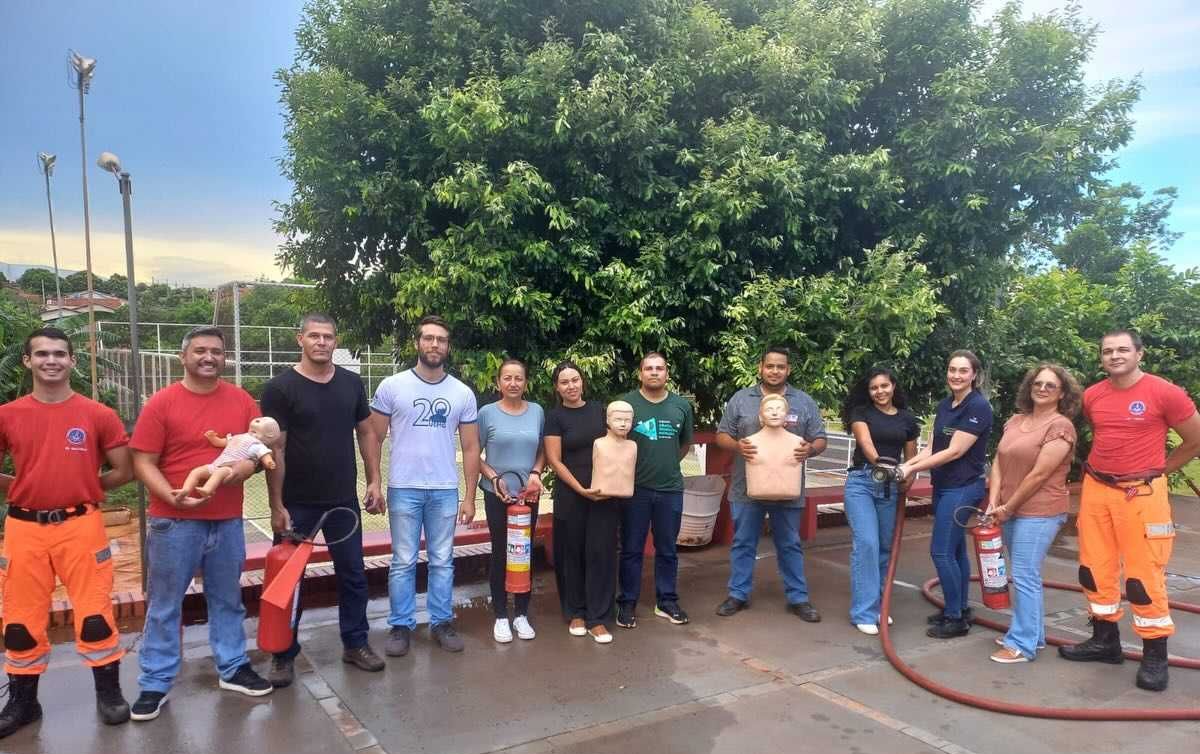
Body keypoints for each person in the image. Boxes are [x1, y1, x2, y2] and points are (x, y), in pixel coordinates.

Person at [129, 327, 273, 722]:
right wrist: (170, 494)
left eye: (216, 352)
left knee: (227, 599)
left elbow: (254, 453)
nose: (209, 357)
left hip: (226, 521)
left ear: (224, 357)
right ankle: (156, 681)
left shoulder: (241, 401)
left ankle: (233, 666)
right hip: (173, 522)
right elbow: (142, 461)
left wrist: (241, 471)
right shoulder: (162, 403)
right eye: (200, 351)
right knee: (164, 604)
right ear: (184, 356)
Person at [0, 328, 133, 738]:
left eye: (60, 353)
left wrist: (85, 488)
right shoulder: (7, 415)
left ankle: (108, 693)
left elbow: (124, 469)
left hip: (81, 526)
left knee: (95, 616)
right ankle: (24, 703)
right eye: (42, 354)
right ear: (28, 361)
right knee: (19, 621)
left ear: (72, 361)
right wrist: (25, 489)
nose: (51, 360)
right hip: (23, 529)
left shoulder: (98, 414)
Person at [1058, 331, 1200, 691]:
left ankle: (1155, 655)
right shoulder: (1093, 395)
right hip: (1097, 488)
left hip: (1142, 493)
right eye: (1108, 351)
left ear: (1140, 354)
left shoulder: (1164, 392)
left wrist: (1159, 471)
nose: (1115, 355)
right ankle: (1105, 641)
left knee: (1142, 578)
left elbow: (1195, 438)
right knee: (1093, 569)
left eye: (1123, 349)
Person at [260, 313, 384, 688]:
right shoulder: (280, 388)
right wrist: (277, 505)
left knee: (353, 575)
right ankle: (283, 654)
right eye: (314, 336)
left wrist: (375, 480)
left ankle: (356, 643)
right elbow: (276, 449)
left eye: (327, 336)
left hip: (342, 502)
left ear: (336, 341)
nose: (321, 342)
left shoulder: (351, 383)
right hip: (298, 503)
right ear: (300, 339)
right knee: (288, 582)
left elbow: (366, 432)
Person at [364, 315, 480, 656]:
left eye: (441, 340)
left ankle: (441, 622)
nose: (434, 344)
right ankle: (401, 625)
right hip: (404, 487)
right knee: (403, 560)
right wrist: (375, 481)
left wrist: (470, 496)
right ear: (417, 343)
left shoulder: (462, 393)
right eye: (428, 338)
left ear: (448, 347)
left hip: (445, 490)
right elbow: (374, 437)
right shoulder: (392, 386)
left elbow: (471, 447)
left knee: (442, 559)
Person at [714, 347, 827, 623]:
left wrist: (810, 449)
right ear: (760, 368)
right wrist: (738, 446)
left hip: (788, 488)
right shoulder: (741, 399)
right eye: (770, 366)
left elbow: (820, 438)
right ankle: (737, 594)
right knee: (743, 543)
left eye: (780, 366)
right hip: (745, 488)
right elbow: (721, 435)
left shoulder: (803, 402)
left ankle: (798, 598)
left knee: (789, 543)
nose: (775, 371)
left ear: (788, 370)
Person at [984, 363, 1081, 663]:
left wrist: (1009, 507)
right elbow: (999, 461)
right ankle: (1033, 636)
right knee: (1026, 574)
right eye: (1038, 383)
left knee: (1024, 574)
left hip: (1040, 511)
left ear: (1062, 393)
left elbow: (1040, 474)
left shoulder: (1060, 427)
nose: (1042, 388)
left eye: (1050, 385)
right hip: (1008, 509)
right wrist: (994, 502)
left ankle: (1021, 644)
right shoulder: (1016, 421)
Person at [897, 350, 994, 639]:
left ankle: (955, 619)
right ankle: (959, 608)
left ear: (974, 375)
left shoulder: (978, 407)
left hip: (963, 487)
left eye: (963, 371)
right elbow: (933, 447)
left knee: (940, 552)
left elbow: (955, 451)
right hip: (943, 485)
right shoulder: (945, 405)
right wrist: (906, 465)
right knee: (955, 551)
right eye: (952, 369)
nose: (956, 375)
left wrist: (910, 469)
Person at [616, 353, 695, 628]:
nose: (653, 372)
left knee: (668, 549)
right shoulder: (626, 404)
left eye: (659, 368)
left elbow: (683, 445)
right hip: (634, 489)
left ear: (666, 373)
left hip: (670, 489)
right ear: (640, 373)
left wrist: (666, 463)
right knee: (631, 549)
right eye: (648, 368)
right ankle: (627, 603)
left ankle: (667, 601)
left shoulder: (681, 406)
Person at [840, 366, 919, 635]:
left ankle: (879, 607)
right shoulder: (861, 413)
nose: (879, 391)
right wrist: (882, 463)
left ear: (893, 386)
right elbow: (866, 443)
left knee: (885, 547)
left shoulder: (907, 419)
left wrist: (909, 476)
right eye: (874, 388)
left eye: (884, 386)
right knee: (867, 544)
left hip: (890, 487)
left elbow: (911, 457)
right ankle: (863, 612)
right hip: (862, 482)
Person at [545, 363, 619, 644]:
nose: (571, 386)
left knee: (601, 554)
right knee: (571, 554)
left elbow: (617, 445)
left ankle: (598, 618)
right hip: (571, 495)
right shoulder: (555, 417)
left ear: (582, 382)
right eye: (564, 382)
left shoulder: (600, 411)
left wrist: (608, 485)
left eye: (575, 380)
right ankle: (575, 612)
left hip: (604, 493)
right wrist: (580, 489)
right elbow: (554, 460)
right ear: (557, 387)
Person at [476, 358, 545, 644]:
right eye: (507, 378)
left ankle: (522, 614)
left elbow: (543, 450)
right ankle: (501, 615)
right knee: (501, 551)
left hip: (528, 496)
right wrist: (494, 479)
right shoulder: (487, 413)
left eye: (519, 378)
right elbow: (474, 454)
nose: (513, 383)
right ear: (498, 382)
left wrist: (535, 474)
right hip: (497, 494)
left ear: (525, 383)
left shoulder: (537, 411)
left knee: (524, 552)